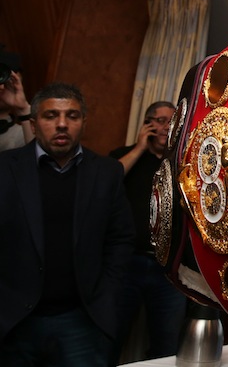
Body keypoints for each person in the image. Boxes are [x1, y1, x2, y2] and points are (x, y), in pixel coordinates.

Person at [0, 82, 135, 366]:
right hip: (14, 321)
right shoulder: (5, 169)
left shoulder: (106, 172)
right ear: (34, 124)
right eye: (51, 116)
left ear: (83, 123)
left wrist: (107, 293)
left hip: (82, 320)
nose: (62, 124)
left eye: (72, 116)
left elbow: (120, 239)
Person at [110, 101, 187, 362]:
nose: (165, 126)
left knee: (166, 345)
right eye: (159, 120)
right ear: (147, 125)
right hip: (125, 265)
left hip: (169, 268)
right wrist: (140, 147)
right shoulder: (124, 155)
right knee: (110, 336)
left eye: (171, 120)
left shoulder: (181, 163)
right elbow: (105, 185)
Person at [0, 48, 34, 152]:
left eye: (9, 84)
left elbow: (38, 161)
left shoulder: (21, 134)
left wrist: (24, 110)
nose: (1, 87)